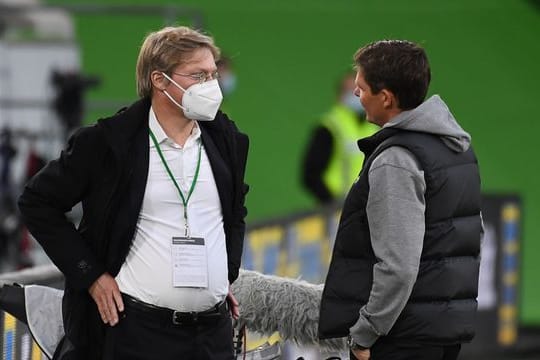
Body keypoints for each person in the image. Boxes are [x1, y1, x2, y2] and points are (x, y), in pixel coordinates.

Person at [18, 25, 249, 360]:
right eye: (198, 76)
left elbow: (235, 211)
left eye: (213, 75)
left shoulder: (227, 140)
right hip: (138, 333)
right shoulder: (107, 143)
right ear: (159, 80)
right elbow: (37, 202)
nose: (211, 87)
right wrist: (92, 276)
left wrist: (224, 272)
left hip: (212, 334)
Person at [318, 40, 482, 360]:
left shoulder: (395, 160)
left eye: (361, 88)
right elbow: (472, 236)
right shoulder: (455, 147)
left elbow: (398, 267)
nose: (355, 94)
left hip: (401, 336)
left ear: (387, 98)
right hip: (442, 330)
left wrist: (365, 335)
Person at [301, 72, 377, 205]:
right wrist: (331, 203)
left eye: (360, 90)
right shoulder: (330, 127)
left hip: (367, 209)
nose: (356, 95)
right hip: (336, 210)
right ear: (339, 96)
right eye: (351, 91)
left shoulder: (374, 128)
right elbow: (311, 175)